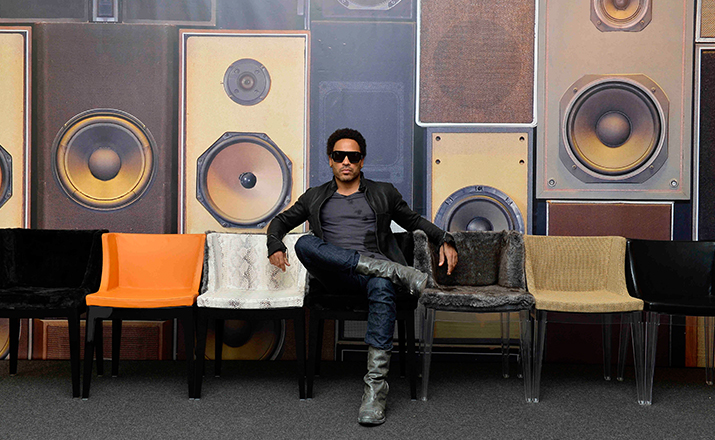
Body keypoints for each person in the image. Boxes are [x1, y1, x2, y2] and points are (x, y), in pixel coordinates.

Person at [267, 128, 458, 426]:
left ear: (362, 161)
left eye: (352, 156)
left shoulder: (384, 193)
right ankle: (396, 271)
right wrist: (274, 244)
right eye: (339, 155)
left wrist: (445, 238)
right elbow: (280, 222)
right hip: (335, 278)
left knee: (381, 283)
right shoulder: (314, 196)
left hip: (372, 280)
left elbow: (413, 221)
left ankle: (375, 392)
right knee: (304, 242)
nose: (346, 161)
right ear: (330, 160)